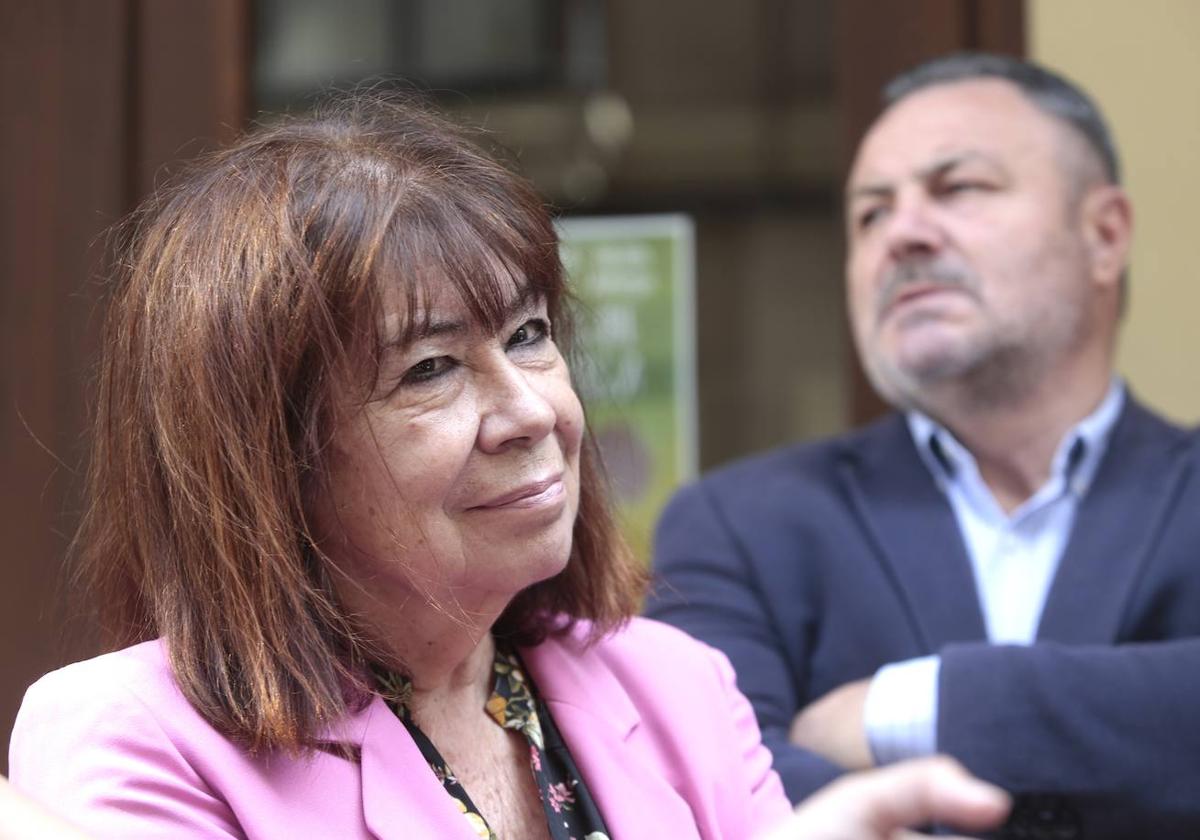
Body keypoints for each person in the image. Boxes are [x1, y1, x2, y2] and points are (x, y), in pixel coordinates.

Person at [6, 95, 1009, 840]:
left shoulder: (674, 686)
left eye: (528, 336)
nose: (533, 412)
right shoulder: (133, 734)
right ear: (270, 457)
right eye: (431, 369)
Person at [646, 51, 1200, 839]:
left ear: (1104, 234)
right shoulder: (741, 523)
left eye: (959, 188)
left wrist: (914, 706)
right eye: (870, 213)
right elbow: (717, 780)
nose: (901, 233)